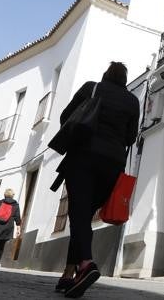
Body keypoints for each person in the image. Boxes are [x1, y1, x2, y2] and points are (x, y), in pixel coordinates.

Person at [53, 62, 139, 297]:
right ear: (124, 79)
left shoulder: (91, 88)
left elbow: (65, 117)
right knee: (83, 216)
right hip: (112, 165)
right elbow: (131, 137)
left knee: (78, 213)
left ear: (105, 75)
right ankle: (68, 274)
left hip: (83, 157)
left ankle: (86, 264)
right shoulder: (132, 101)